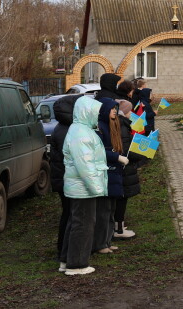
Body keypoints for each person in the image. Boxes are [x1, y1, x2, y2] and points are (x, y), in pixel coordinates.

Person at [60, 96, 108, 275]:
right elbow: (85, 166)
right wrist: (97, 188)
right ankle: (77, 265)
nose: (97, 116)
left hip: (79, 188)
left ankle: (67, 260)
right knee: (83, 225)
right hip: (83, 189)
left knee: (75, 223)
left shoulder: (80, 129)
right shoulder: (81, 133)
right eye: (95, 112)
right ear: (87, 112)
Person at [50, 94, 82, 259]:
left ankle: (65, 248)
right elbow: (73, 157)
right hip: (66, 179)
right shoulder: (66, 130)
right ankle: (65, 250)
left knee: (69, 213)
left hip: (64, 178)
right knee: (70, 215)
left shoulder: (66, 127)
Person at [93, 98, 128, 254]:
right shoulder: (99, 128)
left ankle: (107, 241)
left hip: (114, 172)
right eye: (112, 109)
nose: (115, 111)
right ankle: (100, 244)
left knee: (111, 210)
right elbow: (99, 151)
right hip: (106, 173)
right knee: (104, 211)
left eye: (116, 109)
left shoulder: (111, 126)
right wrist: (116, 157)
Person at [113, 100, 143, 239]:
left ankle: (117, 225)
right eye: (130, 110)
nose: (132, 113)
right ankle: (118, 229)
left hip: (121, 167)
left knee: (119, 198)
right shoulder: (122, 125)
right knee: (121, 198)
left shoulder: (120, 123)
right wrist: (144, 152)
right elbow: (126, 149)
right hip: (123, 168)